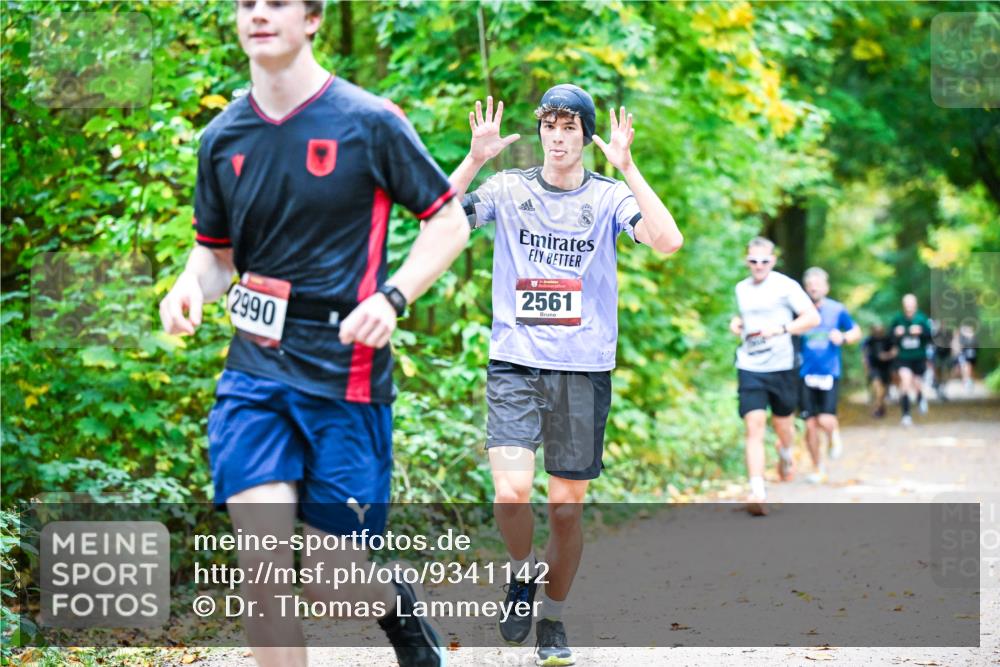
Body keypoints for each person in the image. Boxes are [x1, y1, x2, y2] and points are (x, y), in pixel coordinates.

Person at [158, 2, 468, 666]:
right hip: (255, 373)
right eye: (247, 4)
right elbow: (215, 257)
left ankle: (398, 611)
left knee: (334, 581)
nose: (259, 15)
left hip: (346, 376)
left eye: (277, 4)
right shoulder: (222, 137)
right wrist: (188, 286)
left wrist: (394, 296)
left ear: (313, 20)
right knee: (263, 569)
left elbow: (449, 222)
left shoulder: (370, 122)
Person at [448, 87, 683, 665]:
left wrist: (629, 170)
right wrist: (475, 158)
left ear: (585, 137)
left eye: (570, 128)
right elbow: (438, 221)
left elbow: (668, 241)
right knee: (511, 491)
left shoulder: (608, 198)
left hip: (583, 367)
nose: (558, 137)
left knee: (565, 511)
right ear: (540, 132)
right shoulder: (508, 188)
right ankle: (522, 575)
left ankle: (552, 619)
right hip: (515, 360)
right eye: (550, 126)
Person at [730, 237, 820, 516]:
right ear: (747, 261)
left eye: (764, 261)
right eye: (753, 261)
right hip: (750, 365)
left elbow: (812, 318)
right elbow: (747, 318)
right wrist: (738, 323)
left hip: (781, 366)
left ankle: (785, 453)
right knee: (753, 425)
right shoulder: (741, 289)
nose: (759, 266)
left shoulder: (785, 286)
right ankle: (757, 490)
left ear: (773, 260)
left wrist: (781, 329)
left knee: (784, 427)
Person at [798, 267, 861, 481]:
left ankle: (833, 435)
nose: (814, 288)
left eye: (818, 284)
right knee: (810, 425)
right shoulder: (799, 310)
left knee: (825, 420)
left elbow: (856, 331)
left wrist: (843, 337)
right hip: (804, 374)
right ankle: (817, 468)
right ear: (806, 288)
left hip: (829, 373)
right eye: (810, 285)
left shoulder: (837, 309)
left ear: (826, 287)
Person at [889, 294, 933, 426]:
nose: (909, 307)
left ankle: (920, 398)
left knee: (917, 383)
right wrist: (896, 333)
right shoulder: (898, 318)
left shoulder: (922, 318)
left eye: (911, 304)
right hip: (903, 357)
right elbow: (889, 337)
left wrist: (921, 331)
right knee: (905, 381)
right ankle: (906, 414)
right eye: (906, 304)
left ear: (915, 304)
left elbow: (931, 337)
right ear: (903, 305)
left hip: (919, 357)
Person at [861, 324, 895, 418]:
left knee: (883, 390)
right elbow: (864, 355)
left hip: (886, 368)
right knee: (877, 387)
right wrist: (866, 367)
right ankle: (877, 408)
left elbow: (894, 351)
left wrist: (886, 356)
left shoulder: (888, 340)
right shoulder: (869, 341)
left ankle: (881, 407)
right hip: (874, 367)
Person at [956, 323, 978, 392]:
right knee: (966, 367)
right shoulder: (962, 338)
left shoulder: (974, 337)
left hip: (972, 356)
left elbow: (977, 346)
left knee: (969, 368)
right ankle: (966, 381)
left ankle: (969, 381)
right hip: (964, 355)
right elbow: (961, 347)